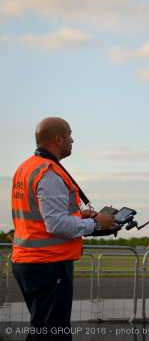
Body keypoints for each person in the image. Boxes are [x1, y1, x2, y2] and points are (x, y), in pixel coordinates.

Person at [11, 117, 116, 336]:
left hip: (29, 261)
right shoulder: (48, 172)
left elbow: (41, 217)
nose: (73, 140)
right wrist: (96, 224)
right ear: (58, 139)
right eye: (69, 134)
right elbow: (56, 224)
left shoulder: (26, 167)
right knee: (53, 332)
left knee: (43, 329)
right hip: (48, 263)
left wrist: (78, 215)